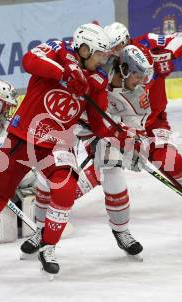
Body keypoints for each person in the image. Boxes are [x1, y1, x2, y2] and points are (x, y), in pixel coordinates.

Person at [0, 23, 135, 278]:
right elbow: (29, 60)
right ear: (85, 49)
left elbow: (98, 123)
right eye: (99, 54)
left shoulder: (96, 81)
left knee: (64, 190)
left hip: (57, 144)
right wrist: (65, 73)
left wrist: (116, 133)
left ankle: (48, 247)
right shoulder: (57, 52)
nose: (102, 61)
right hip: (22, 137)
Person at [20, 44, 154, 260]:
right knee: (47, 175)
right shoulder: (98, 64)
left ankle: (122, 231)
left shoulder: (138, 97)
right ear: (125, 69)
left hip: (104, 128)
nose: (141, 82)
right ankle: (41, 231)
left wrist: (134, 145)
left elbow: (134, 129)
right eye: (138, 75)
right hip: (68, 120)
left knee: (113, 169)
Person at [104, 22, 182, 206]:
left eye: (118, 47)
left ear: (127, 40)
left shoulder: (148, 42)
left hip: (154, 120)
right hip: (125, 125)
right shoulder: (109, 66)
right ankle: (55, 200)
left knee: (169, 159)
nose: (115, 53)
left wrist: (167, 55)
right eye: (111, 49)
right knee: (104, 163)